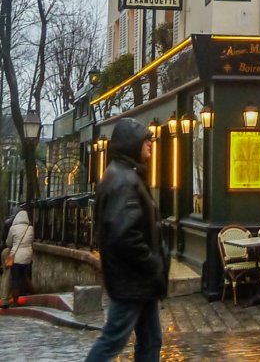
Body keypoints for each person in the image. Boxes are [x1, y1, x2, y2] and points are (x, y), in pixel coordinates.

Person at [84, 118, 169, 362]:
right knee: (114, 339)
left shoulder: (123, 176)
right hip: (133, 281)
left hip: (138, 282)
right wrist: (152, 263)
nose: (151, 144)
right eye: (146, 140)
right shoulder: (124, 181)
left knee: (151, 339)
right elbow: (125, 234)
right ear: (133, 144)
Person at [2, 209, 34, 306]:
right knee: (25, 276)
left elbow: (8, 243)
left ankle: (15, 302)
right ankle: (35, 293)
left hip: (16, 257)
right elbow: (31, 240)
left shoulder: (13, 228)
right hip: (28, 257)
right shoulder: (30, 228)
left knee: (15, 279)